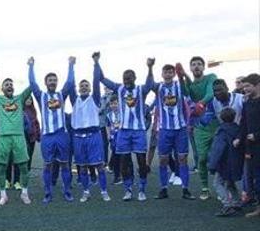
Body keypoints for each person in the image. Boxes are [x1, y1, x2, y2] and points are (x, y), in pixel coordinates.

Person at [99, 58, 154, 201]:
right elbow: (102, 79)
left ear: (135, 78)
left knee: (141, 160)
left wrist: (150, 67)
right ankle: (128, 189)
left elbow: (150, 84)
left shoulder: (141, 90)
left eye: (129, 78)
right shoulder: (119, 88)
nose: (126, 80)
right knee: (124, 160)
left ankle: (142, 190)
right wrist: (97, 62)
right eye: (124, 78)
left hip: (138, 131)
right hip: (123, 131)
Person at [28, 56, 75, 202]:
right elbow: (32, 83)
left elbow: (70, 82)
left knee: (65, 164)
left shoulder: (62, 94)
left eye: (54, 80)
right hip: (47, 136)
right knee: (47, 165)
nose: (53, 82)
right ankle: (48, 193)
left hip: (62, 134)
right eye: (50, 80)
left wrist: (71, 65)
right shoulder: (40, 95)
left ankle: (67, 191)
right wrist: (31, 66)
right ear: (46, 83)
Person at [0, 70, 34, 205]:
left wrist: (30, 67)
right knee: (1, 167)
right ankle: (3, 195)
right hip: (3, 137)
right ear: (2, 88)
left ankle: (24, 193)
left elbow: (33, 85)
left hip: (19, 137)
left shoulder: (20, 98)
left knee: (24, 166)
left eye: (11, 84)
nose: (9, 86)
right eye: (6, 84)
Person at [67, 52, 111, 202]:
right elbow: (70, 85)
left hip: (94, 136)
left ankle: (104, 191)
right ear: (79, 89)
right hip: (78, 137)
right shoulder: (75, 100)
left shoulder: (95, 98)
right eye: (82, 86)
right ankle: (86, 191)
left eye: (86, 86)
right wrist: (71, 66)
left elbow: (96, 81)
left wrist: (96, 62)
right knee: (83, 167)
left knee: (99, 166)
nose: (84, 87)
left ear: (90, 89)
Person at [148, 62, 195, 200]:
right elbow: (149, 84)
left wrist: (182, 75)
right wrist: (150, 67)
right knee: (163, 159)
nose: (168, 74)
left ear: (174, 74)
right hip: (164, 129)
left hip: (180, 128)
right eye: (165, 71)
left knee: (182, 158)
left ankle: (185, 189)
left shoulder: (179, 86)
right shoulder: (158, 87)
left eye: (170, 71)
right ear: (162, 74)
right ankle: (163, 189)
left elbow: (188, 87)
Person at [180, 56, 218, 199]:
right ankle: (204, 188)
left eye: (199, 64)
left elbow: (210, 93)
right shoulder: (190, 84)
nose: (196, 66)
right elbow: (185, 92)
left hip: (216, 124)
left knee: (219, 157)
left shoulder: (211, 77)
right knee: (201, 158)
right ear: (190, 68)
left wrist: (200, 104)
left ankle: (223, 187)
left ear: (203, 67)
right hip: (199, 127)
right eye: (193, 65)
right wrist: (181, 75)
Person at [208, 107, 243, 216]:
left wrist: (212, 165)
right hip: (236, 161)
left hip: (224, 162)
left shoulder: (221, 131)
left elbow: (218, 149)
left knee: (217, 183)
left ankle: (227, 204)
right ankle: (237, 203)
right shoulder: (238, 129)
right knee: (230, 182)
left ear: (221, 118)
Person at [235, 73, 260, 217]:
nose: (245, 90)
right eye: (244, 87)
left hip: (256, 140)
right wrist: (239, 137)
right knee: (255, 176)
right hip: (251, 146)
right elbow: (244, 123)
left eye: (248, 86)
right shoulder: (247, 103)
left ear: (257, 85)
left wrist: (256, 135)